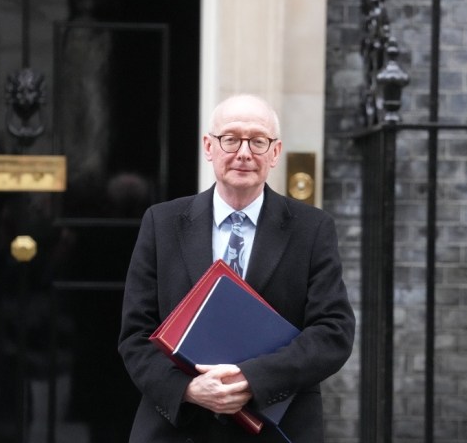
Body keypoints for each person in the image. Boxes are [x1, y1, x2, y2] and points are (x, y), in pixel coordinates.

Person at [118, 94, 355, 442]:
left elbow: (333, 332)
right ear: (208, 146)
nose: (244, 152)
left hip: (277, 427)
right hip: (177, 429)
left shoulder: (313, 228)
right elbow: (135, 335)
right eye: (230, 138)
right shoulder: (162, 223)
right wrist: (189, 389)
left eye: (258, 141)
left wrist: (252, 379)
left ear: (275, 153)